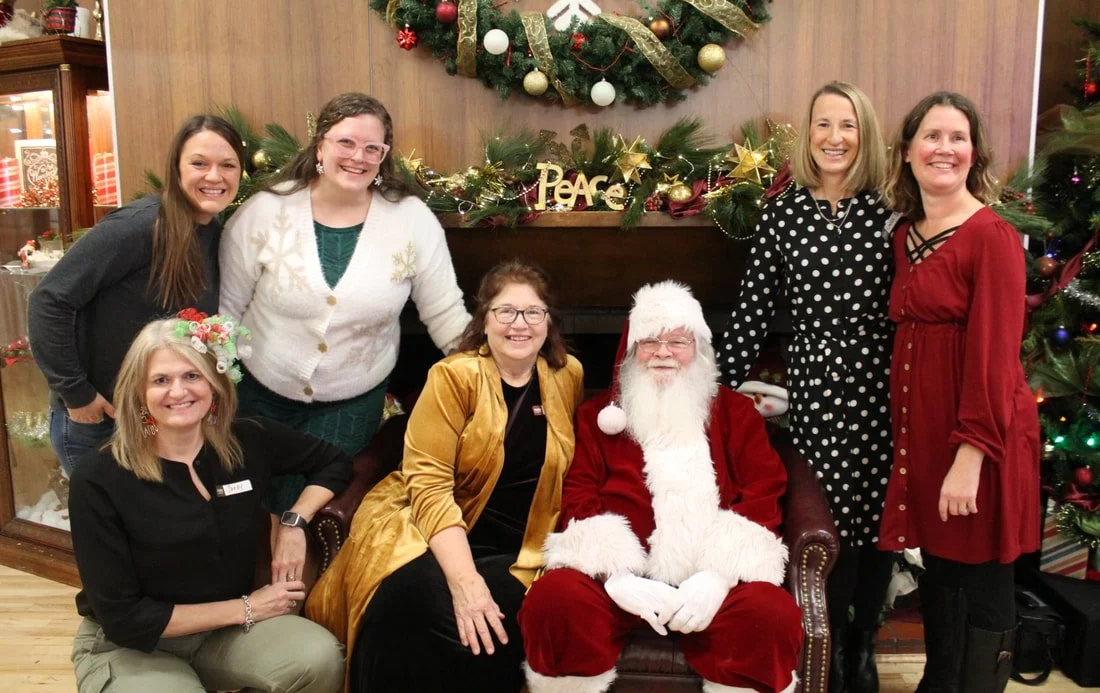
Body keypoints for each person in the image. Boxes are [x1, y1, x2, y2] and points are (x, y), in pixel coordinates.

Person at [306, 259, 584, 693]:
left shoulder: (568, 376)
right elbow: (430, 486)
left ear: (549, 322)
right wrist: (465, 580)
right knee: (412, 604)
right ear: (484, 321)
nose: (520, 324)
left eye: (533, 312)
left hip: (519, 548)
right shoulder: (453, 376)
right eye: (505, 312)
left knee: (495, 625)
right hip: (429, 529)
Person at [520, 281, 803, 693]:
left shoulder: (736, 413)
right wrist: (615, 575)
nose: (664, 352)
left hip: (711, 584)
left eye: (678, 341)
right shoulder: (599, 417)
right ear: (632, 352)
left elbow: (763, 491)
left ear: (699, 350)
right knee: (554, 601)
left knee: (771, 615)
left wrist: (717, 577)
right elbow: (580, 492)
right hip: (622, 583)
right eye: (650, 341)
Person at [716, 81, 894, 693]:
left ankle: (862, 641)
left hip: (882, 384)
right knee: (827, 519)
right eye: (823, 124)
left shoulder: (891, 207)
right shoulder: (784, 212)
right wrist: (712, 390)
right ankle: (830, 636)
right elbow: (752, 310)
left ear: (864, 133)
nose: (835, 138)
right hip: (816, 386)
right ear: (808, 136)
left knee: (880, 524)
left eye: (847, 125)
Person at [67, 313, 352, 693]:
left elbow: (333, 462)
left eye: (192, 376)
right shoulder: (99, 478)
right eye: (161, 380)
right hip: (132, 646)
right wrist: (250, 608)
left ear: (214, 383)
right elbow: (124, 618)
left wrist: (293, 521)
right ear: (138, 392)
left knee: (320, 658)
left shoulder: (247, 440)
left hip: (224, 635)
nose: (178, 391)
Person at [220, 92, 470, 514]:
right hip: (261, 398)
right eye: (346, 143)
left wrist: (490, 371)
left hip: (350, 405)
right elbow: (227, 310)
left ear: (384, 156)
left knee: (316, 515)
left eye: (373, 147)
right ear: (320, 145)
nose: (359, 156)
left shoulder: (411, 220)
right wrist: (216, 392)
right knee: (253, 513)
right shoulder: (264, 212)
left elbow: (445, 313)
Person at [879, 91, 1040, 693]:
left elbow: (996, 359)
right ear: (907, 151)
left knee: (983, 582)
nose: (945, 148)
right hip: (926, 436)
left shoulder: (993, 237)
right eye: (932, 136)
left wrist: (970, 457)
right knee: (944, 574)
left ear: (975, 153)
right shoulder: (907, 236)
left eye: (958, 137)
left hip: (979, 437)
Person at [29, 115, 245, 476]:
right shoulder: (138, 227)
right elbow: (48, 301)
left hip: (147, 417)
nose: (214, 176)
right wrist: (77, 394)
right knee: (107, 530)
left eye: (227, 165)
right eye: (199, 164)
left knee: (149, 526)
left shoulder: (212, 230)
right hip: (97, 423)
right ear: (176, 167)